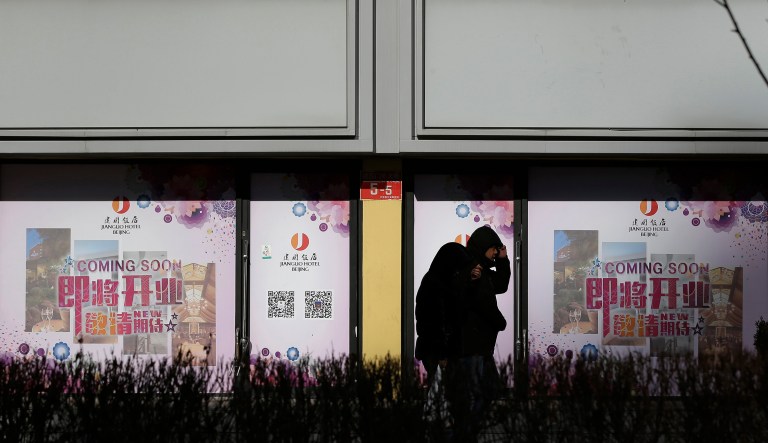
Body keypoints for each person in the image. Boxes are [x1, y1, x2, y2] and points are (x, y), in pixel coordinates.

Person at [454, 225, 511, 438]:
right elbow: (481, 302)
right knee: (478, 394)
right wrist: (500, 322)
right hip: (473, 346)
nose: (496, 252)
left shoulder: (484, 271)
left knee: (487, 392)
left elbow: (501, 284)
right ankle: (464, 434)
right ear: (484, 247)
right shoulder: (472, 270)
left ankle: (467, 432)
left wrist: (504, 260)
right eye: (494, 248)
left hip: (481, 347)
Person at [414, 242, 476, 385]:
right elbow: (434, 323)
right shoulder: (435, 285)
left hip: (442, 351)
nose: (460, 272)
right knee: (443, 395)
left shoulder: (442, 281)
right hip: (438, 352)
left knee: (444, 396)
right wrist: (442, 354)